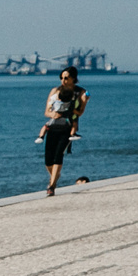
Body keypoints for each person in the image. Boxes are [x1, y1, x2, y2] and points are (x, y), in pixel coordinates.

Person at [39, 67, 89, 197]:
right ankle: (55, 176)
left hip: (68, 127)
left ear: (73, 78)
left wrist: (76, 107)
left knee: (58, 155)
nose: (63, 80)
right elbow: (46, 112)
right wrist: (54, 114)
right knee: (48, 160)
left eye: (66, 78)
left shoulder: (80, 92)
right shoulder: (55, 91)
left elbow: (80, 112)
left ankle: (52, 186)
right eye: (61, 78)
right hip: (53, 126)